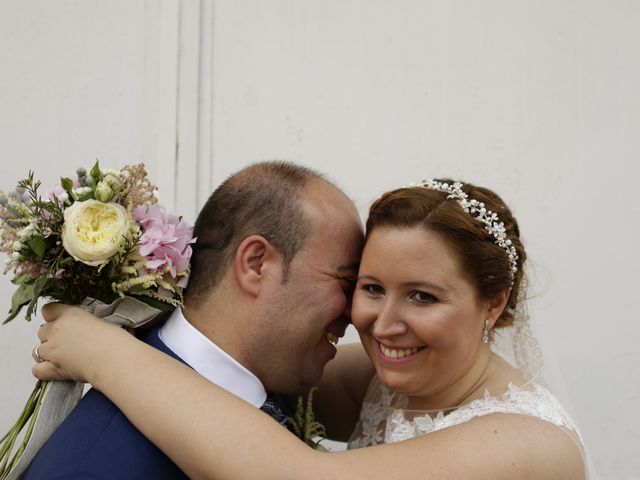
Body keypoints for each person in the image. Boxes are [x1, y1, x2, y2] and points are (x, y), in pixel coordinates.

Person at [32, 178, 588, 479]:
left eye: (423, 296)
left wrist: (103, 353)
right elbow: (235, 364)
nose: (378, 322)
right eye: (368, 287)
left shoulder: (528, 443)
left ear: (493, 303)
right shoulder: (383, 382)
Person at [22, 161, 364, 479]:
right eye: (347, 283)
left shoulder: (269, 386)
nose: (357, 313)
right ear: (256, 264)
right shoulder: (92, 469)